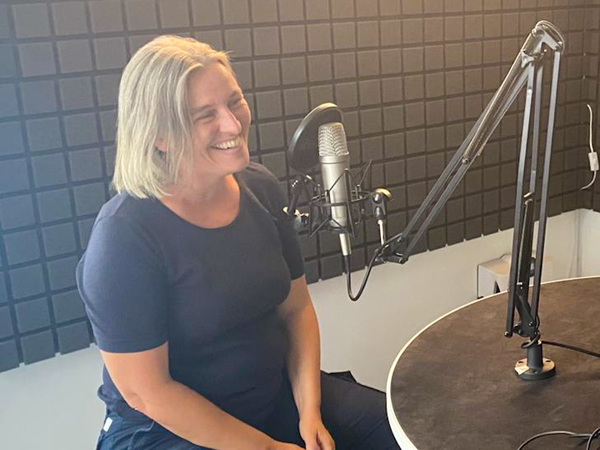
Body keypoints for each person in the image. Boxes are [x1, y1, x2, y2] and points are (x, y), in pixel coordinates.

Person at [77, 35, 399, 450]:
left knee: (409, 431)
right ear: (159, 135)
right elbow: (147, 392)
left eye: (234, 102)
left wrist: (310, 411)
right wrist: (268, 448)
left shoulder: (261, 188)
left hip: (272, 395)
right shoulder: (123, 237)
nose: (232, 125)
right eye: (205, 115)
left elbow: (297, 309)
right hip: (165, 430)